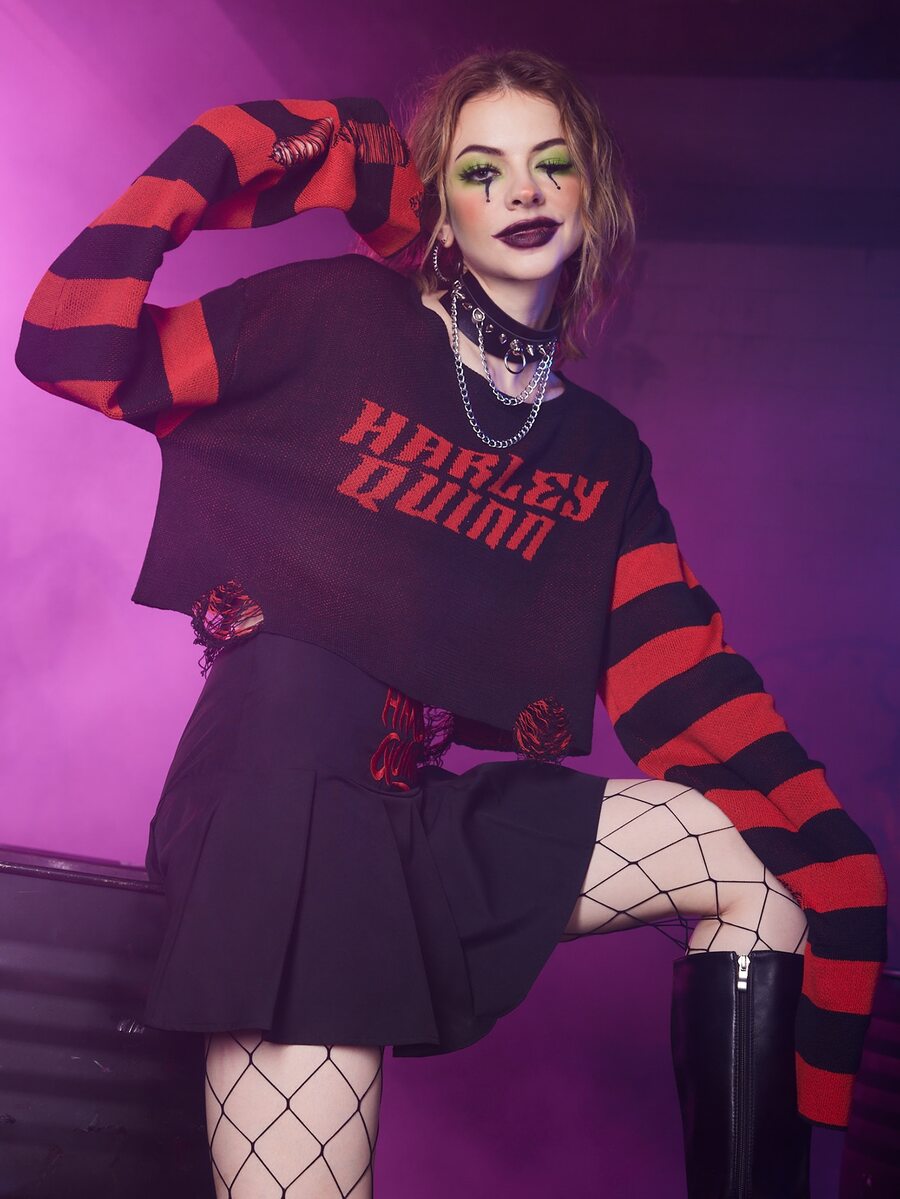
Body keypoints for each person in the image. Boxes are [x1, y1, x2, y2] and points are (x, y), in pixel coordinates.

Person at [14, 46, 888, 1199]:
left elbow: (691, 687)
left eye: (549, 163)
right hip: (284, 809)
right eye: (482, 169)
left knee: (754, 867)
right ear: (439, 200)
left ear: (592, 194)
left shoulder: (599, 452)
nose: (521, 190)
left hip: (413, 806)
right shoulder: (334, 315)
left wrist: (835, 858)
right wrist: (299, 148)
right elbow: (69, 340)